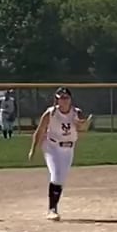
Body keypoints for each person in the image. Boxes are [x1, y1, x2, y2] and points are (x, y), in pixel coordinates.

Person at [27, 88, 86, 220]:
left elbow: (81, 129)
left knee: (61, 179)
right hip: (51, 146)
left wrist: (81, 126)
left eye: (66, 98)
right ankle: (52, 210)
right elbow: (40, 131)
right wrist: (33, 149)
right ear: (57, 100)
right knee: (56, 175)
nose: (64, 100)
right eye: (61, 98)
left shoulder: (77, 113)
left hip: (68, 148)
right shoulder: (51, 113)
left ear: (70, 99)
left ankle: (53, 207)